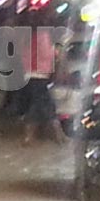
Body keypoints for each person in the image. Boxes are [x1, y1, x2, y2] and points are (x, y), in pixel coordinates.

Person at [20, 14, 65, 145]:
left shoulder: (26, 37)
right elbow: (47, 54)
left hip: (29, 74)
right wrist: (56, 53)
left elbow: (22, 55)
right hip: (41, 74)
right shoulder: (43, 36)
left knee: (40, 103)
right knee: (42, 104)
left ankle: (52, 135)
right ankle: (56, 134)